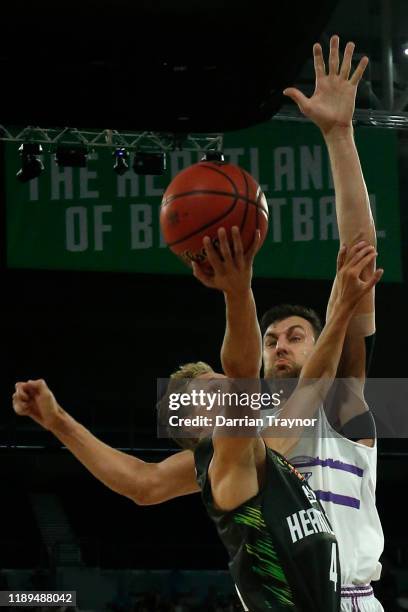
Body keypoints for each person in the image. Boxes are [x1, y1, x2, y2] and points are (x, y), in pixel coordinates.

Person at [13, 240, 382, 612]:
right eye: (214, 388)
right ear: (195, 422)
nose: (230, 388)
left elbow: (143, 483)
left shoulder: (252, 444)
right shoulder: (232, 452)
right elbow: (250, 373)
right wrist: (238, 291)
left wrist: (58, 420)